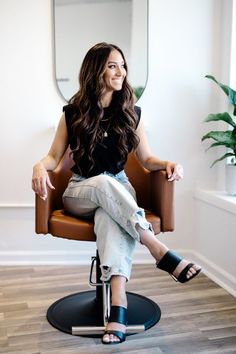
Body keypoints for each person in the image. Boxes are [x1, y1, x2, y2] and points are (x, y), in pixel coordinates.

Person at [32, 42, 201, 345]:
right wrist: (38, 166)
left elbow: (147, 159)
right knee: (102, 182)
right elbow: (53, 158)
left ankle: (118, 310)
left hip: (119, 193)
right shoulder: (72, 114)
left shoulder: (131, 114)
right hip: (81, 190)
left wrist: (168, 163)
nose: (121, 71)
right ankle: (157, 248)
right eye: (112, 65)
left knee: (109, 218)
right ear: (95, 70)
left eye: (123, 65)